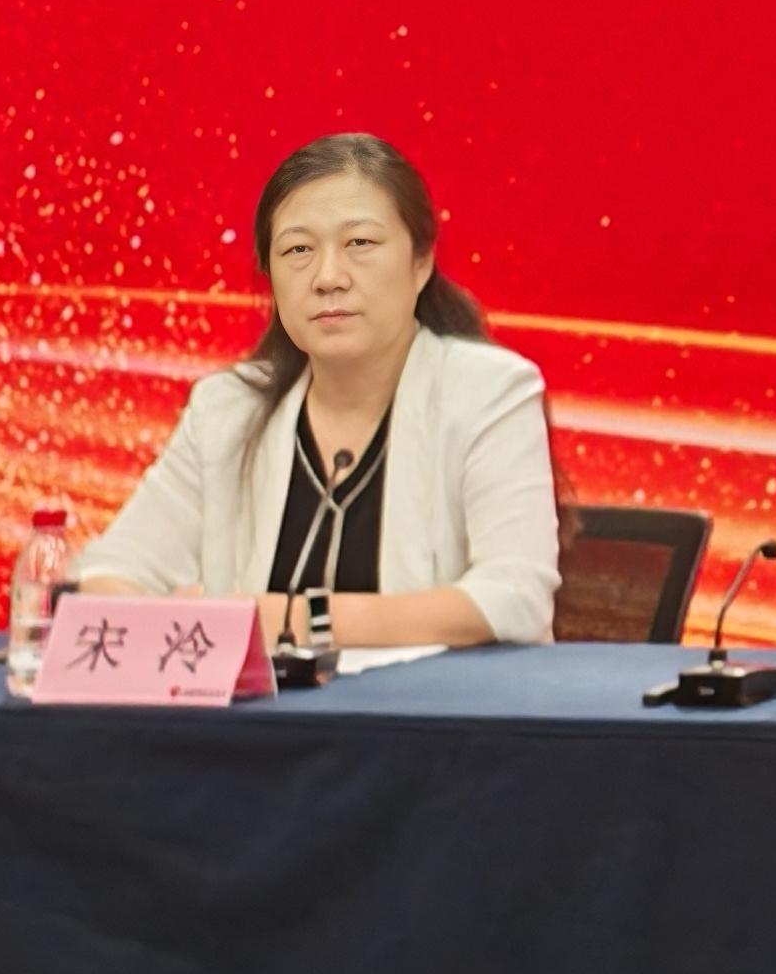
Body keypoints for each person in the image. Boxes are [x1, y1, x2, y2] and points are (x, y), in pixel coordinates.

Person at [70, 133, 560, 648]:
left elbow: (514, 598)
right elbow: (109, 570)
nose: (328, 277)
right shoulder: (228, 409)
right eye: (298, 250)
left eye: (360, 244)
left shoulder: (490, 392)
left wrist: (291, 620)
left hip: (431, 700)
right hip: (258, 704)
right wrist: (147, 615)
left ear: (421, 263)